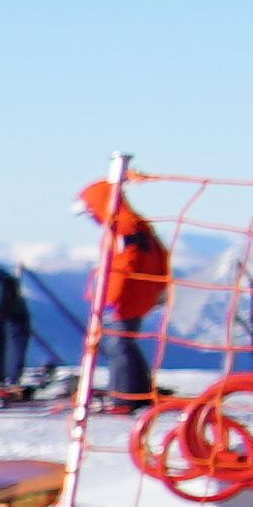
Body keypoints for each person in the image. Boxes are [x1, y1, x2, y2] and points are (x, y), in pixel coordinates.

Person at [85, 171, 173, 403]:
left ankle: (127, 394)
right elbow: (161, 255)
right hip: (142, 290)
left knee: (117, 342)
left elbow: (123, 264)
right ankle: (136, 388)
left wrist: (108, 296)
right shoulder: (136, 224)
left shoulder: (123, 228)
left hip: (130, 293)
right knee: (123, 341)